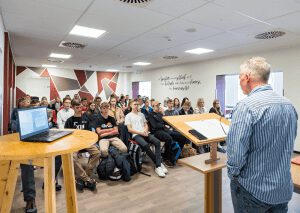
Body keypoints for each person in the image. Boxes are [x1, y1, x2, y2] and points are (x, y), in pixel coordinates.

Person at [227, 57, 298, 213]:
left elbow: (236, 155)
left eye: (239, 77)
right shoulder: (289, 105)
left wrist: (233, 175)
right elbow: (289, 143)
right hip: (282, 188)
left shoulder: (245, 106)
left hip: (253, 190)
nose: (239, 82)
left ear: (246, 78)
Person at [125, 99, 168, 177]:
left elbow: (146, 124)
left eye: (137, 104)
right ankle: (158, 164)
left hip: (145, 133)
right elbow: (129, 129)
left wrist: (145, 130)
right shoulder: (128, 116)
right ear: (130, 105)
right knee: (145, 145)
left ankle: (158, 165)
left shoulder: (141, 114)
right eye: (134, 104)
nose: (136, 106)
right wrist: (141, 132)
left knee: (157, 142)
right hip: (136, 135)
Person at [64, 101, 100, 191]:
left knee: (97, 153)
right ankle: (87, 179)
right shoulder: (69, 121)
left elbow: (89, 133)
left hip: (85, 143)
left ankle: (84, 177)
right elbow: (66, 136)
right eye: (77, 107)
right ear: (73, 108)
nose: (79, 109)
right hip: (74, 144)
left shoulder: (85, 119)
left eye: (80, 107)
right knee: (72, 157)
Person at [148, 101, 188, 166]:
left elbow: (167, 122)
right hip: (157, 132)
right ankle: (167, 157)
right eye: (157, 106)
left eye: (159, 105)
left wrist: (163, 114)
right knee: (169, 138)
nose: (158, 107)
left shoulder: (160, 114)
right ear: (152, 106)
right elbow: (154, 125)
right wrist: (164, 126)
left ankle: (175, 155)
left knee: (183, 136)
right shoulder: (151, 114)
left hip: (165, 130)